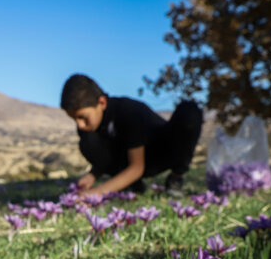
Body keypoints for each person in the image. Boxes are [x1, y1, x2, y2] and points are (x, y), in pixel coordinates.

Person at [61, 74, 202, 197]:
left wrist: (96, 193)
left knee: (189, 112)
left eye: (82, 117)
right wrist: (92, 175)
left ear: (102, 102)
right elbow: (108, 154)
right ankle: (134, 186)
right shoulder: (89, 127)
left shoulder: (128, 111)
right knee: (88, 140)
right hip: (130, 160)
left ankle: (176, 176)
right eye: (74, 119)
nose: (79, 125)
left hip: (160, 152)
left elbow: (137, 167)